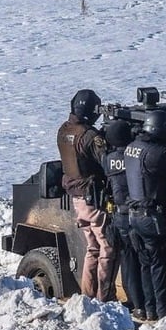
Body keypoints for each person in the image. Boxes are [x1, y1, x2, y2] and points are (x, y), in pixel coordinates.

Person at [124, 109, 166, 322]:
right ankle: (164, 314)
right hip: (151, 218)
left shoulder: (132, 147)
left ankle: (150, 309)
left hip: (133, 216)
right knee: (158, 266)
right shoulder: (155, 153)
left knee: (145, 264)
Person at [57, 89, 116, 301]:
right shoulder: (89, 136)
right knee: (106, 249)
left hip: (77, 199)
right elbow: (107, 162)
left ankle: (87, 296)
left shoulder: (64, 130)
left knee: (92, 248)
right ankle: (103, 297)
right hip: (93, 200)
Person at [102, 118, 145, 320]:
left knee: (128, 261)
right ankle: (144, 303)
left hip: (119, 215)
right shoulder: (134, 157)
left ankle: (135, 303)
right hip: (137, 214)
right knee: (143, 261)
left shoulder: (108, 159)